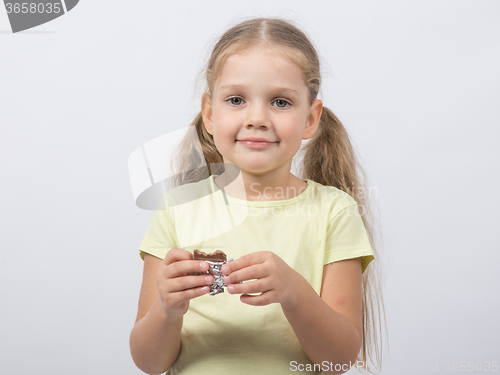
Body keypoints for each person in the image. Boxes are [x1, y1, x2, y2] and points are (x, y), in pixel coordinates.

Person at [129, 17, 386, 375]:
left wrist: (294, 291)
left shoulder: (334, 211)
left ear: (311, 119)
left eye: (280, 102)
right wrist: (168, 310)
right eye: (236, 99)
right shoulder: (176, 208)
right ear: (209, 114)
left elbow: (337, 361)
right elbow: (148, 362)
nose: (257, 118)